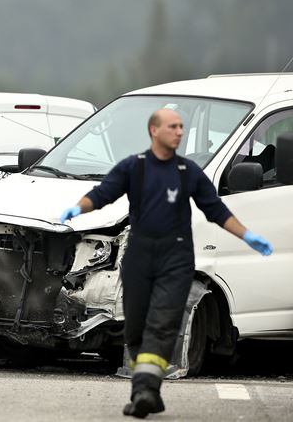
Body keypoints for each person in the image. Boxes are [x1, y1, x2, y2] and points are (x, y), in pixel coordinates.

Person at [59, 109, 273, 419]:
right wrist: (76, 208)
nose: (179, 132)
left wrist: (248, 235)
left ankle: (145, 388)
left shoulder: (188, 172)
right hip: (139, 258)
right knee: (135, 327)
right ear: (154, 131)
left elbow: (215, 209)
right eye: (172, 127)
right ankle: (149, 390)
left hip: (175, 259)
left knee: (160, 324)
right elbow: (102, 193)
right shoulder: (134, 168)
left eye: (181, 127)